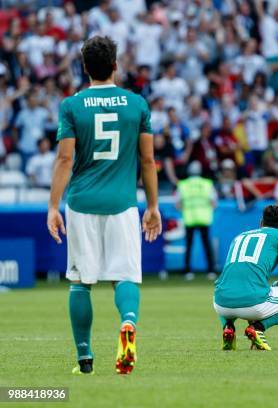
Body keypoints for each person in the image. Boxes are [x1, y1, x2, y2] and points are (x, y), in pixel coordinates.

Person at [46, 36, 162, 375]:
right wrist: (152, 206)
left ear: (84, 68)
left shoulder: (72, 106)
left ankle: (84, 357)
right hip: (123, 204)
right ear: (115, 65)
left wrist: (53, 206)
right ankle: (127, 322)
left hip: (82, 203)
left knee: (81, 282)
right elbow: (148, 159)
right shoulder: (136, 104)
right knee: (125, 276)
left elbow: (65, 159)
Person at [213, 205, 278, 351]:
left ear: (261, 222)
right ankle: (257, 328)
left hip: (220, 304)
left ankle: (228, 328)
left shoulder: (240, 236)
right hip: (252, 303)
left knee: (233, 287)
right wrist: (277, 284)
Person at [177, 161, 217, 281]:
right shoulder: (207, 183)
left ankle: (188, 271)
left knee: (189, 245)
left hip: (189, 218)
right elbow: (214, 202)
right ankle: (211, 271)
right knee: (206, 245)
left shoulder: (183, 184)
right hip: (204, 218)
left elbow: (178, 203)